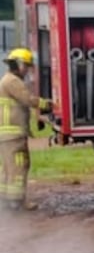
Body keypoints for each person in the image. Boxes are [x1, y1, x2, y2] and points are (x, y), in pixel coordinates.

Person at [0, 48, 54, 211]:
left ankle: (6, 200)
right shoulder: (12, 82)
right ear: (18, 64)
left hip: (8, 134)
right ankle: (17, 202)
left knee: (9, 167)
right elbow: (28, 99)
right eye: (26, 66)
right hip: (13, 134)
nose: (28, 70)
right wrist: (48, 104)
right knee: (19, 166)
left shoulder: (6, 80)